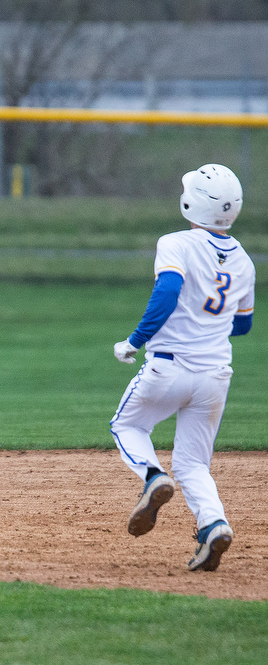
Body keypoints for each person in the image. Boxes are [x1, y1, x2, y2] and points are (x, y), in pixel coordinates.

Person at [110, 164, 255, 572]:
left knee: (128, 427)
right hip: (215, 377)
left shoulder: (175, 242)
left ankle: (153, 476)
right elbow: (241, 325)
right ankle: (213, 526)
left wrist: (134, 340)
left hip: (168, 368)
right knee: (193, 464)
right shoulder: (244, 260)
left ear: (191, 202)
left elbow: (168, 290)